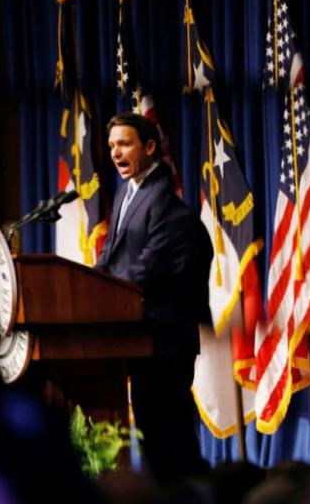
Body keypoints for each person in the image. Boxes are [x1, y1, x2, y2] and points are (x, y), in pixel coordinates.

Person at [95, 112, 213, 485]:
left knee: (172, 438)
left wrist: (101, 290)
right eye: (112, 145)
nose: (116, 153)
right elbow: (112, 257)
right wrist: (85, 284)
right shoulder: (127, 192)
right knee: (155, 438)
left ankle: (198, 495)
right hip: (139, 338)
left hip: (163, 342)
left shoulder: (166, 205)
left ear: (149, 147)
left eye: (124, 143)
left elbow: (147, 270)